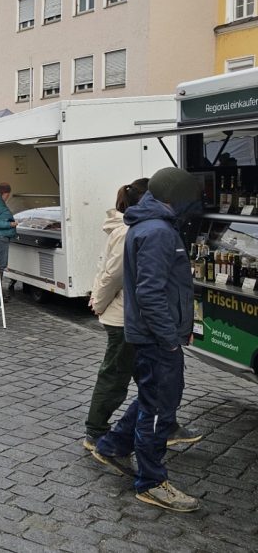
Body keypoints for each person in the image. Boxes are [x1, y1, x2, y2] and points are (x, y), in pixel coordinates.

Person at [90, 167, 203, 512]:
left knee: (155, 397)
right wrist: (170, 337)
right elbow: (151, 293)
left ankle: (111, 445)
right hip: (157, 338)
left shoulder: (153, 226)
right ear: (176, 198)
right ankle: (152, 482)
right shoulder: (158, 232)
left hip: (155, 335)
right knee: (158, 407)